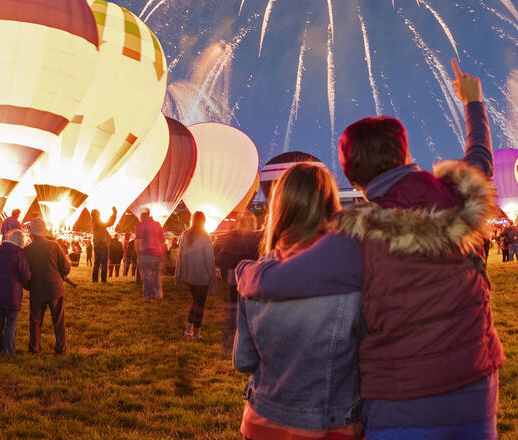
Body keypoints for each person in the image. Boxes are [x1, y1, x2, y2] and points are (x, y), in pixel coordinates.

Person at [237, 59, 502, 437]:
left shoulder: (359, 236)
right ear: (405, 155)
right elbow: (480, 159)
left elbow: (278, 282)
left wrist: (245, 270)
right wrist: (473, 103)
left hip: (403, 402)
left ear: (351, 175)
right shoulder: (461, 197)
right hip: (477, 389)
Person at [233, 162, 363, 439]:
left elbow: (243, 361)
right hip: (330, 426)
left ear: (280, 209)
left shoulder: (256, 274)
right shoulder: (351, 275)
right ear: (331, 206)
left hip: (262, 424)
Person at [212, 209, 263, 359]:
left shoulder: (230, 238)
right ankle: (251, 346)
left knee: (234, 310)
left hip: (234, 277)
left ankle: (231, 346)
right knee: (252, 311)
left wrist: (221, 267)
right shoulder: (258, 238)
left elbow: (221, 256)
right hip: (253, 278)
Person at [23, 221, 74, 355]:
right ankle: (61, 349)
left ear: (31, 233)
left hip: (37, 289)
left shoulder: (27, 250)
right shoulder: (54, 246)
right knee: (58, 321)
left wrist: (28, 286)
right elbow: (66, 267)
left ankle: (34, 349)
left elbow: (24, 272)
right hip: (55, 288)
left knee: (35, 321)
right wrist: (60, 276)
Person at [0, 230, 30, 356]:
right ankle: (9, 350)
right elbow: (25, 273)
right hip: (11, 292)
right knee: (11, 323)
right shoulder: (18, 252)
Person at [175, 212, 217, 340]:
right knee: (199, 304)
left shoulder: (186, 235)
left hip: (190, 276)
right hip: (202, 276)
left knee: (196, 303)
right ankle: (196, 333)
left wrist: (178, 274)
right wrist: (212, 278)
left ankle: (189, 330)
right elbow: (209, 259)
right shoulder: (205, 237)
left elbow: (180, 257)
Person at [137, 210, 166, 299]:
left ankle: (147, 296)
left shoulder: (140, 225)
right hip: (158, 254)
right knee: (158, 276)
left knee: (147, 276)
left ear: (142, 216)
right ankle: (159, 295)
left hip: (146, 253)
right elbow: (163, 240)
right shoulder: (157, 224)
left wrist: (138, 256)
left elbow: (139, 241)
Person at [90, 210, 111, 283]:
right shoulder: (98, 222)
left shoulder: (93, 222)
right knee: (104, 263)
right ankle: (103, 279)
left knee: (97, 263)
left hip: (96, 244)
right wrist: (114, 214)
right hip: (102, 244)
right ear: (98, 214)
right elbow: (109, 223)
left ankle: (95, 279)